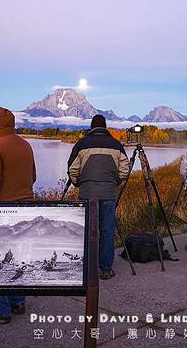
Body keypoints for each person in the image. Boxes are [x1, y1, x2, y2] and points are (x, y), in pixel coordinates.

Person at [0, 108, 36, 325]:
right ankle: (18, 302)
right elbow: (33, 176)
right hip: (26, 207)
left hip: (2, 210)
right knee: (17, 254)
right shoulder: (25, 144)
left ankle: (1, 311)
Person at [67, 114, 130, 280]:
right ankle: (105, 269)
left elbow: (73, 169)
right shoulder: (116, 144)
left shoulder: (81, 144)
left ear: (91, 127)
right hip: (108, 194)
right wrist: (114, 182)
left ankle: (87, 268)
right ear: (105, 127)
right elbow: (125, 170)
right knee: (107, 231)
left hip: (87, 194)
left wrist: (79, 183)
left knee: (87, 231)